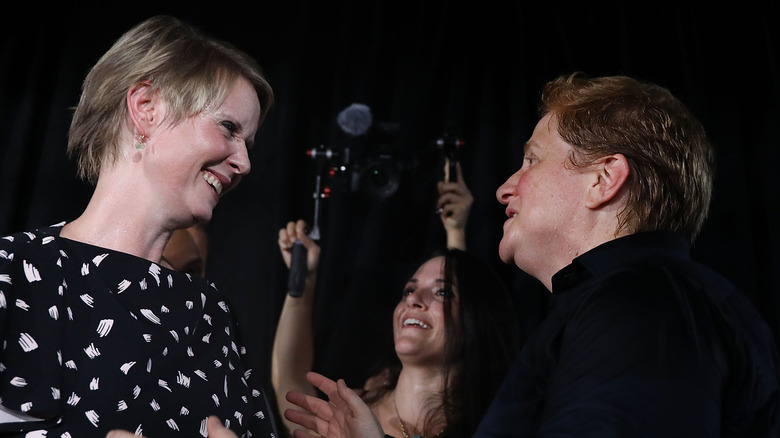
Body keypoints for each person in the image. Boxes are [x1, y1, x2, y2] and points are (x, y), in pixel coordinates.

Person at [282, 72, 780, 438]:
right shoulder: (634, 303)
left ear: (603, 180)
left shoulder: (641, 305)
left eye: (532, 160)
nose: (504, 188)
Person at [0, 15, 277, 437]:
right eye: (228, 128)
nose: (244, 162)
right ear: (146, 107)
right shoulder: (13, 272)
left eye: (248, 143)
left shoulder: (208, 312)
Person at [272, 167, 517, 438]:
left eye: (442, 293)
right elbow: (290, 379)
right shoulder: (350, 415)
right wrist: (301, 283)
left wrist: (456, 233)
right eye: (408, 290)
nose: (414, 299)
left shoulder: (496, 426)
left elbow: (463, 288)